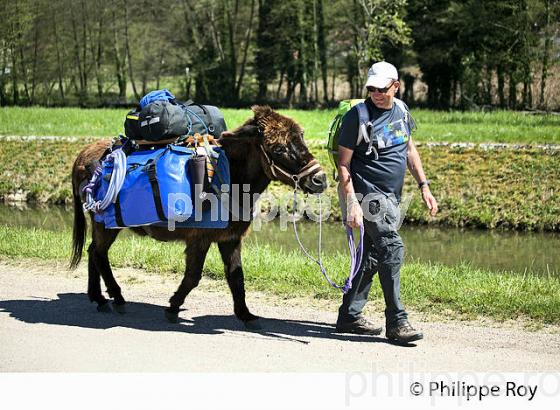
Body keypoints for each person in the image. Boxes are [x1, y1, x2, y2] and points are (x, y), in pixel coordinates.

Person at [335, 61, 438, 344]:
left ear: (396, 85)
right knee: (392, 247)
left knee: (372, 254)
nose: (376, 93)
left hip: (391, 196)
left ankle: (349, 315)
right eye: (371, 88)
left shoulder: (402, 110)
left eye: (382, 88)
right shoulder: (357, 116)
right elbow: (343, 164)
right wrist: (353, 203)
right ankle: (397, 321)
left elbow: (409, 149)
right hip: (365, 194)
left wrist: (424, 186)